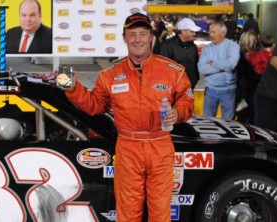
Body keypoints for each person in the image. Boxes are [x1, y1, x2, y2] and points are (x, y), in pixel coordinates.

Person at [65, 12, 194, 222]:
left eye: (143, 34)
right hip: (128, 147)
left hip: (160, 145)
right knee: (127, 212)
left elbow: (187, 101)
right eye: (132, 34)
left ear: (151, 36)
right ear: (124, 38)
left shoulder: (173, 71)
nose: (137, 40)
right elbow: (95, 106)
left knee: (161, 213)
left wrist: (177, 112)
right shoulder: (110, 73)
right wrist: (73, 89)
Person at [198, 21, 240, 120]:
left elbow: (230, 64)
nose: (210, 35)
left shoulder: (233, 46)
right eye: (210, 32)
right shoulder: (206, 49)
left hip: (228, 90)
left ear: (223, 33)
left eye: (213, 32)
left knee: (228, 123)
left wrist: (213, 63)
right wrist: (223, 65)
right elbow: (202, 68)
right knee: (208, 122)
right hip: (210, 89)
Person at [160, 18, 201, 91]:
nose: (194, 34)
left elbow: (195, 65)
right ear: (183, 31)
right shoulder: (167, 45)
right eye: (192, 31)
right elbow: (163, 68)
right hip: (173, 88)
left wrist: (194, 80)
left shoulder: (193, 46)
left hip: (190, 87)